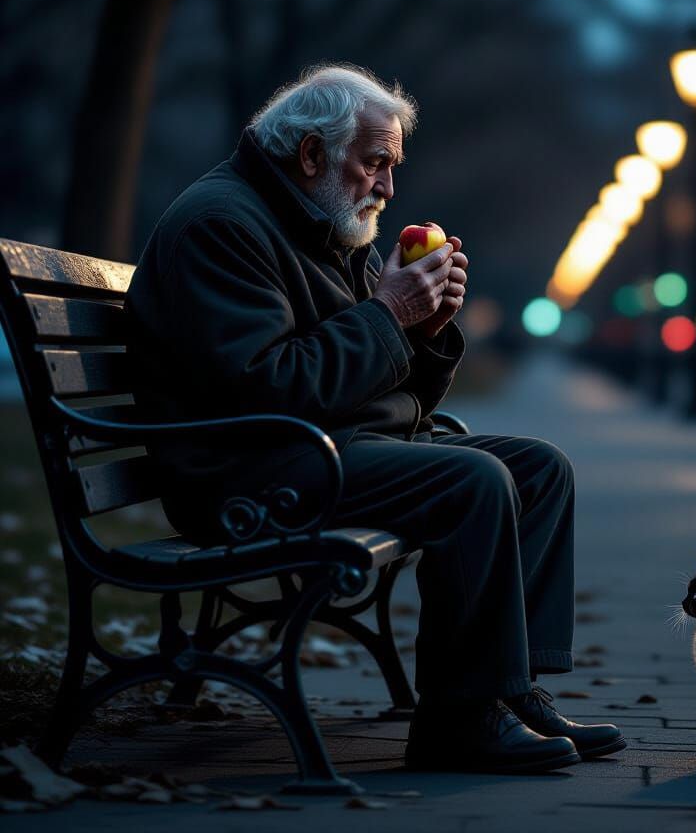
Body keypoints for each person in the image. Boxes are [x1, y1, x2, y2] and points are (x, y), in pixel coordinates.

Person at [125, 64, 625, 774]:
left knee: (540, 469)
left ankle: (509, 691)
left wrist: (425, 328)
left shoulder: (321, 221)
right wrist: (391, 314)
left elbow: (383, 389)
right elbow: (269, 388)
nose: (387, 187)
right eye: (375, 163)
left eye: (392, 165)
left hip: (321, 446)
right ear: (310, 156)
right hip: (245, 470)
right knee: (475, 481)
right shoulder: (222, 225)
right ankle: (458, 720)